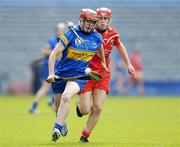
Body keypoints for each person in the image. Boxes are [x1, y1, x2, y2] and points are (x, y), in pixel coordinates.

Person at [46, 8, 108, 142]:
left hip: (79, 76)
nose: (90, 24)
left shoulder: (96, 37)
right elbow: (53, 54)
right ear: (82, 20)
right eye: (88, 21)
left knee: (66, 96)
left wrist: (103, 61)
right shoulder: (70, 34)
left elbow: (100, 47)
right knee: (58, 108)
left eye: (93, 22)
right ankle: (62, 122)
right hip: (61, 75)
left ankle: (56, 129)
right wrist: (51, 74)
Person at [76, 7, 135, 143]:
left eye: (106, 19)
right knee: (85, 110)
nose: (103, 22)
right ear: (95, 19)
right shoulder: (88, 31)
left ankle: (84, 136)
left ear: (110, 20)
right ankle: (79, 106)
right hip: (87, 73)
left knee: (97, 107)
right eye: (100, 18)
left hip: (103, 73)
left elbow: (120, 46)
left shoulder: (113, 34)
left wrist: (128, 64)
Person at [29, 23, 67, 114]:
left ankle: (52, 101)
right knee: (46, 86)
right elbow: (44, 51)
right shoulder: (52, 40)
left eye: (63, 30)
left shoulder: (65, 40)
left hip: (58, 67)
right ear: (57, 31)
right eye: (61, 30)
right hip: (48, 67)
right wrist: (55, 53)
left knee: (60, 86)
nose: (62, 31)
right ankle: (34, 106)